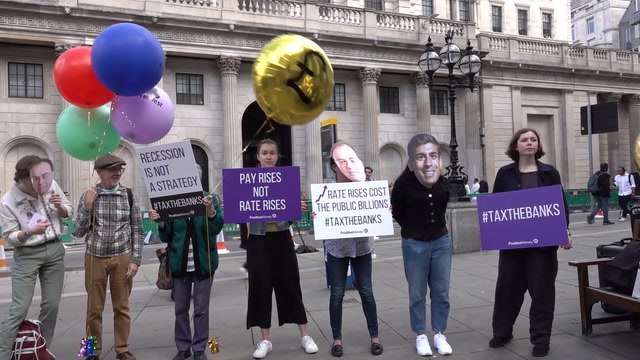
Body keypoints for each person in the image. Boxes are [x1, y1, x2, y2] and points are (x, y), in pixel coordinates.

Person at [488, 128, 572, 358]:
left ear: (538, 145)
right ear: (516, 146)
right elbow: (496, 208)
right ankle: (502, 331)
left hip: (542, 247)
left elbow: (560, 205)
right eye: (524, 140)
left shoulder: (549, 172)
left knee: (542, 292)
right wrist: (491, 234)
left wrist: (565, 232)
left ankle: (541, 337)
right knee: (507, 290)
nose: (529, 143)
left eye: (533, 139)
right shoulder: (505, 174)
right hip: (512, 247)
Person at [245, 139, 318, 359]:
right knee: (260, 288)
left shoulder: (286, 180)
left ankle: (305, 334)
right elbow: (241, 209)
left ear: (277, 157)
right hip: (259, 240)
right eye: (264, 153)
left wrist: (298, 209)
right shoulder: (247, 181)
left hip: (282, 238)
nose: (268, 156)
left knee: (291, 285)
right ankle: (265, 339)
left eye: (272, 153)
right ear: (258, 156)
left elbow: (291, 213)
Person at [0, 156, 72, 358]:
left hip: (55, 249)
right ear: (22, 180)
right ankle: (3, 352)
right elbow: (10, 238)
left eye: (43, 179)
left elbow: (69, 211)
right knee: (20, 308)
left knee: (51, 305)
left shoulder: (49, 184)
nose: (40, 185)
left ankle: (41, 350)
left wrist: (60, 206)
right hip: (27, 254)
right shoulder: (7, 202)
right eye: (34, 181)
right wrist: (29, 231)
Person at [74, 154, 144, 360]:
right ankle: (91, 351)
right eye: (112, 169)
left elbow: (138, 231)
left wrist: (135, 260)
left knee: (121, 307)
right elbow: (77, 232)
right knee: (93, 309)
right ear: (99, 172)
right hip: (94, 257)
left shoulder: (129, 196)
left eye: (119, 169)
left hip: (122, 256)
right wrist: (87, 207)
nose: (117, 173)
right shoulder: (89, 195)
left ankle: (122, 349)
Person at [391, 134, 454, 356]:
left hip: (441, 242)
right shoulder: (402, 184)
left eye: (433, 155)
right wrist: (413, 229)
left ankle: (439, 333)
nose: (428, 162)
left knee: (441, 291)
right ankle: (420, 335)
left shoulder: (443, 182)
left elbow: (442, 208)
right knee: (417, 292)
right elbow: (397, 212)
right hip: (414, 243)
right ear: (410, 160)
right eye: (420, 156)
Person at [151, 180, 224, 360]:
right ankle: (183, 347)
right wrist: (161, 223)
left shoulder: (210, 197)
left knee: (201, 309)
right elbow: (167, 235)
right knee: (180, 309)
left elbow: (216, 228)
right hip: (180, 264)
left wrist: (211, 213)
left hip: (204, 263)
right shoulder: (172, 200)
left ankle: (200, 348)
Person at [324, 141, 382, 357]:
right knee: (337, 293)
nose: (348, 165)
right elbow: (320, 220)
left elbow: (380, 212)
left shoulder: (369, 186)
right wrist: (317, 217)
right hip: (337, 248)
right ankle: (336, 339)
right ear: (333, 167)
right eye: (341, 162)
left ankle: (375, 337)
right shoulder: (326, 191)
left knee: (366, 290)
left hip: (362, 246)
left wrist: (384, 209)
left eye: (351, 160)